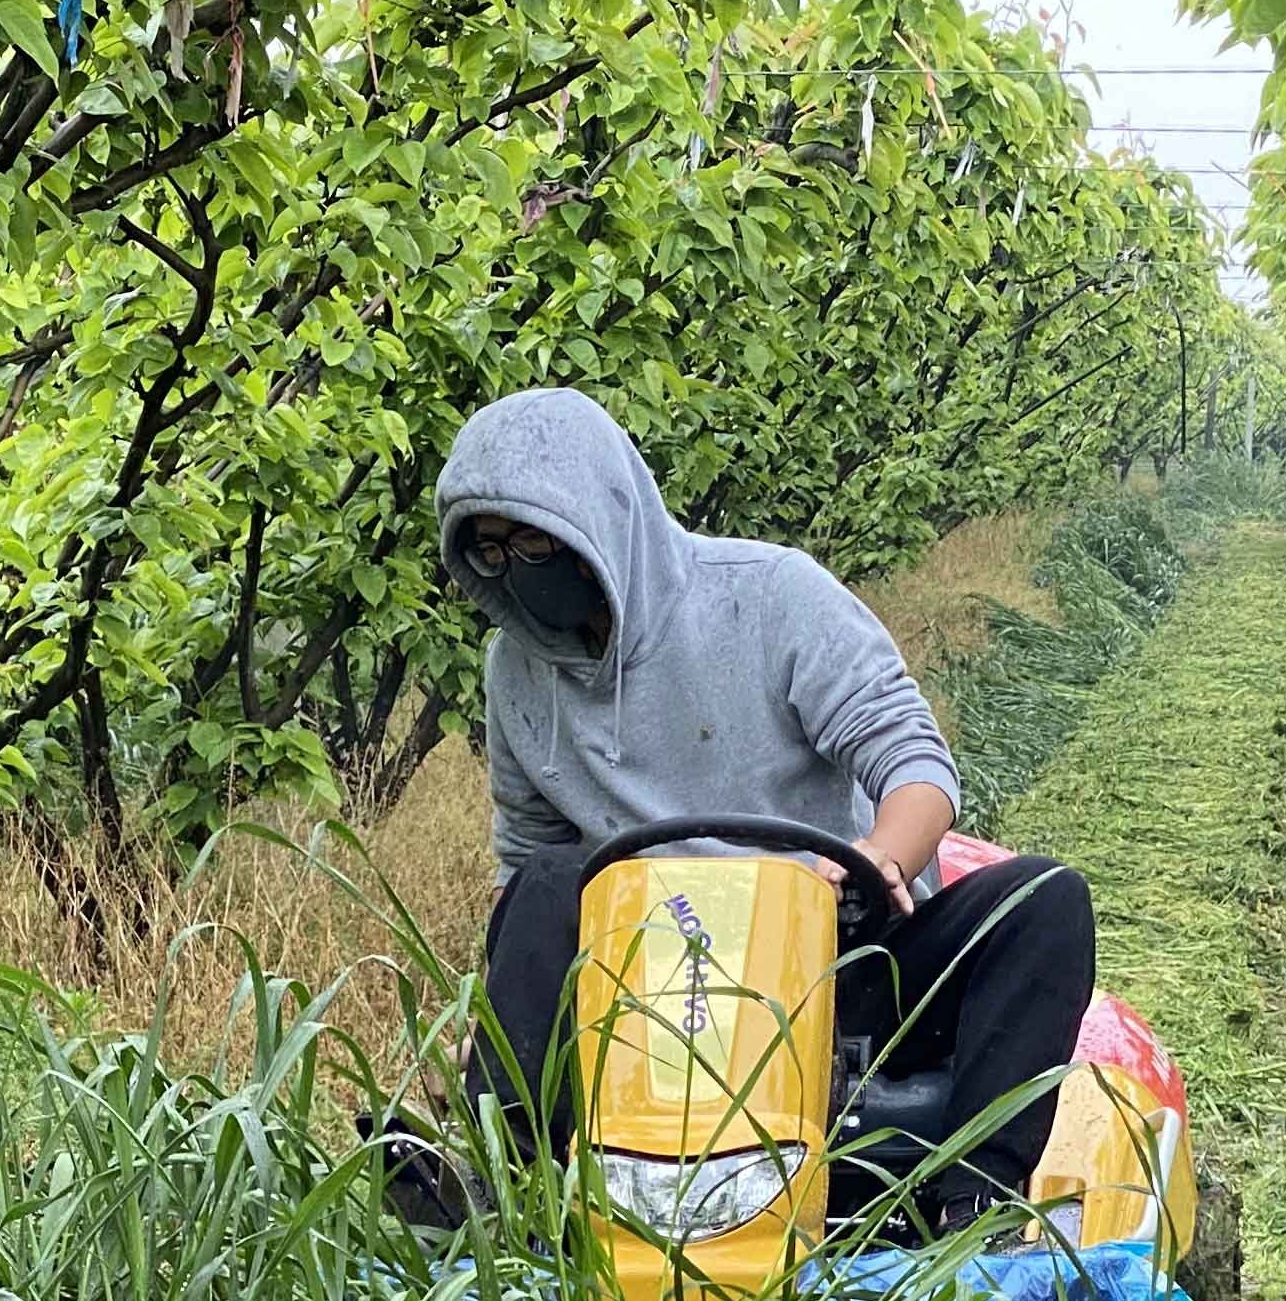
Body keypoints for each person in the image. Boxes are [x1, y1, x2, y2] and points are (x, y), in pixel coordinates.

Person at [436, 387, 1097, 1227]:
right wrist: (501, 1023)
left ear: (600, 519)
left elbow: (919, 769)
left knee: (1046, 900)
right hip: (651, 986)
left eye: (532, 539)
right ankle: (502, 1200)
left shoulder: (770, 597)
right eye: (489, 553)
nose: (515, 568)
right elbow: (523, 870)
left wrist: (876, 858)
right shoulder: (516, 674)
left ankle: (974, 1211)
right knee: (549, 879)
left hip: (839, 959)